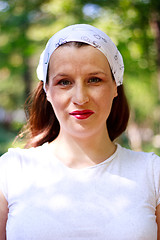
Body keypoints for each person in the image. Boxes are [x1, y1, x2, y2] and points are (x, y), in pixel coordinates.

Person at [0, 24, 160, 240]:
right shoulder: (10, 172)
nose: (80, 98)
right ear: (47, 90)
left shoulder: (152, 173)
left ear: (115, 86)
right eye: (64, 82)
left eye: (94, 80)